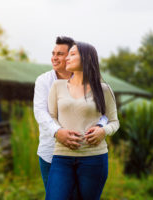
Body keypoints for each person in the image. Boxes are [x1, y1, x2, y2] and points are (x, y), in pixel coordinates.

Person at [45, 42, 120, 200]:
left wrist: (103, 131)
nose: (67, 58)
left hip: (94, 158)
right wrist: (58, 133)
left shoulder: (104, 89)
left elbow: (114, 121)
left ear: (86, 58)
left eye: (72, 54)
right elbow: (50, 117)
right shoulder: (57, 86)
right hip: (62, 157)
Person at [33, 36, 108, 192]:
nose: (54, 57)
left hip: (85, 153)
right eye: (53, 53)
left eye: (60, 54)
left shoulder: (92, 82)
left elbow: (105, 113)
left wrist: (101, 127)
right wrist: (58, 132)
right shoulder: (43, 81)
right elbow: (40, 112)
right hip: (50, 153)